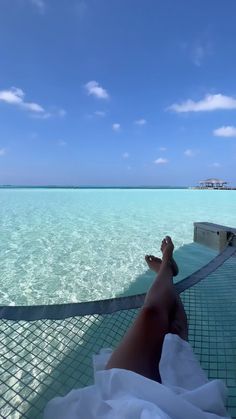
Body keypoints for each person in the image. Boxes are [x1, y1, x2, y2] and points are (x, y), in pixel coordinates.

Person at [44, 237, 229, 419]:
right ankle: (166, 270)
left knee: (151, 313)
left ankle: (166, 269)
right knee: (176, 332)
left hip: (120, 405)